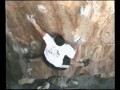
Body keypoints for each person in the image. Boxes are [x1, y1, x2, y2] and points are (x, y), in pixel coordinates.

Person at [27, 15, 90, 89]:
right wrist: (79, 46)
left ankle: (29, 60)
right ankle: (82, 64)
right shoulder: (66, 48)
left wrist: (33, 22)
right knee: (71, 62)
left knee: (43, 56)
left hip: (46, 58)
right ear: (64, 42)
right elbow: (76, 59)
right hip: (56, 65)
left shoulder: (50, 40)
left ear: (54, 38)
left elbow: (39, 30)